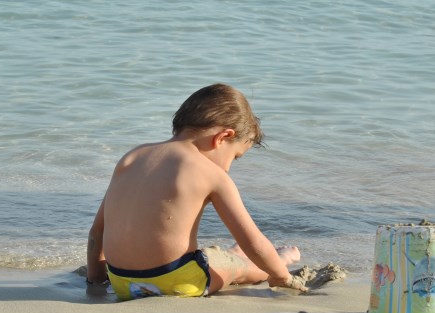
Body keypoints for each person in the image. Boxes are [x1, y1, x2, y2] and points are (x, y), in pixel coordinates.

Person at [86, 83, 308, 301]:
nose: (229, 167)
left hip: (122, 282)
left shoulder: (132, 157)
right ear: (222, 137)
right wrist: (282, 276)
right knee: (237, 267)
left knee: (217, 258)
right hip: (176, 281)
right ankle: (278, 260)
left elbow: (97, 233)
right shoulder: (212, 174)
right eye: (235, 156)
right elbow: (253, 242)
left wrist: (96, 280)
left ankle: (233, 254)